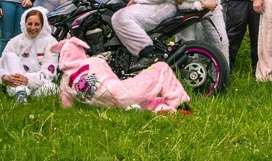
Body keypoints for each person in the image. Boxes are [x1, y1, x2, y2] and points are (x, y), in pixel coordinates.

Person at [56, 36, 190, 114]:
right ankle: (180, 104)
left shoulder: (64, 82)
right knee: (162, 68)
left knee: (142, 101)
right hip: (120, 92)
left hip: (107, 106)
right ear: (78, 50)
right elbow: (111, 77)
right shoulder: (93, 61)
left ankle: (163, 110)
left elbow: (66, 106)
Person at [0, 7, 59, 103]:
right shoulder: (15, 42)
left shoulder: (51, 43)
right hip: (15, 83)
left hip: (40, 84)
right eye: (29, 24)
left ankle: (21, 94)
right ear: (24, 24)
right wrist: (4, 78)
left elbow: (48, 73)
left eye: (37, 24)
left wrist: (27, 80)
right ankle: (21, 92)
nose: (33, 28)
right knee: (9, 56)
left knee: (52, 88)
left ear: (43, 25)